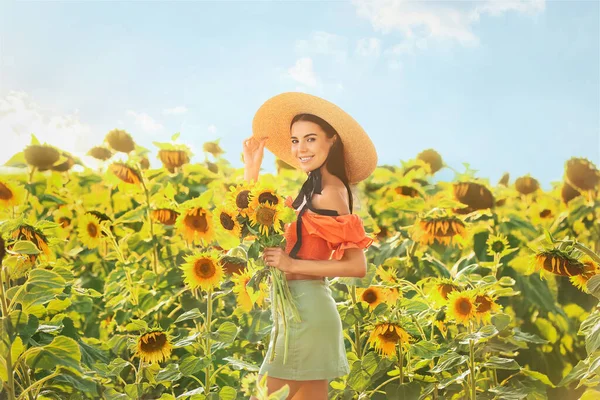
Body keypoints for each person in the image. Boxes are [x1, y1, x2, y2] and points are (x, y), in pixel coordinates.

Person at [242, 92, 378, 400]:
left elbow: (357, 266)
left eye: (310, 139)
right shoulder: (310, 190)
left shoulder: (330, 192)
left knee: (264, 397)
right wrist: (252, 169)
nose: (300, 148)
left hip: (306, 310)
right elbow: (263, 231)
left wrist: (291, 265)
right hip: (294, 311)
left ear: (331, 141)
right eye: (294, 140)